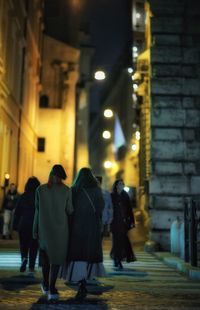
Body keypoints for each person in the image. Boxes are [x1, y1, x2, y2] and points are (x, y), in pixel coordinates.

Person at [60, 167, 106, 300]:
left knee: (78, 256)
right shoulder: (97, 191)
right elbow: (100, 208)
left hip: (77, 229)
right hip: (92, 228)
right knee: (89, 255)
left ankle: (81, 282)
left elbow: (68, 209)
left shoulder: (74, 190)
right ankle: (86, 278)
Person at [33, 164, 73, 302]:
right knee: (55, 259)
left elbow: (37, 212)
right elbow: (70, 210)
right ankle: (52, 286)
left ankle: (45, 282)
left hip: (44, 229)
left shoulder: (40, 190)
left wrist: (35, 229)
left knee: (45, 258)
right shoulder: (67, 190)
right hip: (61, 230)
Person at [13, 177, 40, 275]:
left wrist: (15, 225)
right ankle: (31, 267)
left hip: (23, 224)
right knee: (34, 246)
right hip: (35, 224)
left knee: (23, 245)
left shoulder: (23, 196)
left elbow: (17, 212)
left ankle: (24, 258)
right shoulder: (39, 197)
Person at [110, 179, 136, 270]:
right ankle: (116, 259)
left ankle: (119, 259)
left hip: (123, 223)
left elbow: (129, 210)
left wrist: (132, 221)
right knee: (116, 242)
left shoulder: (125, 196)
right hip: (114, 222)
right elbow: (109, 209)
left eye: (122, 184)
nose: (121, 185)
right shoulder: (112, 196)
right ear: (116, 185)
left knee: (123, 241)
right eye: (120, 184)